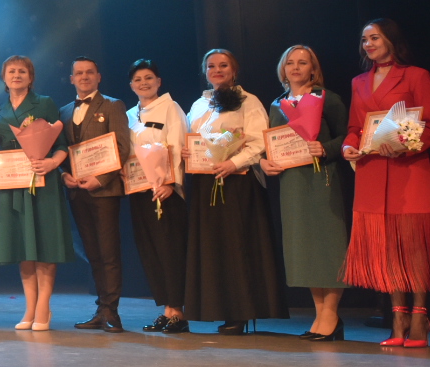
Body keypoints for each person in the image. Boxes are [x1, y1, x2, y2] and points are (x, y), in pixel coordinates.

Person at [341, 19, 430, 348]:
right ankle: (398, 317)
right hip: (371, 171)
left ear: (391, 40)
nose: (368, 44)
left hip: (408, 170)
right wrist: (347, 147)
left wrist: (405, 146)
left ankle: (419, 317)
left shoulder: (416, 76)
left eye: (374, 38)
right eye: (364, 39)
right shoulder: (359, 82)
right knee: (387, 247)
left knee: (412, 246)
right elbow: (355, 128)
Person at [183, 49, 287, 334]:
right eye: (211, 66)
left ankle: (240, 312)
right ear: (205, 71)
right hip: (205, 183)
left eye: (223, 65)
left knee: (236, 246)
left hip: (238, 182)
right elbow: (194, 141)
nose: (217, 70)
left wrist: (233, 163)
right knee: (213, 247)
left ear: (234, 70)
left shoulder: (248, 101)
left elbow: (258, 142)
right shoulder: (198, 104)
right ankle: (219, 308)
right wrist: (186, 151)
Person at [262, 46, 349, 341]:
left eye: (303, 62)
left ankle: (331, 314)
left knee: (329, 244)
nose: (296, 67)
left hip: (322, 178)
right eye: (290, 63)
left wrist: (325, 148)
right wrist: (265, 162)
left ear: (313, 68)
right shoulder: (277, 104)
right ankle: (320, 313)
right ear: (283, 69)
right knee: (306, 247)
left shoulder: (327, 98)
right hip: (293, 184)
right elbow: (271, 143)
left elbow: (346, 136)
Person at [0, 55, 73, 331]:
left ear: (31, 77)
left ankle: (43, 308)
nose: (16, 75)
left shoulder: (44, 103)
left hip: (42, 182)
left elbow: (61, 144)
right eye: (11, 71)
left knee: (44, 244)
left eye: (22, 71)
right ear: (4, 77)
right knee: (23, 246)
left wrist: (52, 163)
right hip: (11, 185)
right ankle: (30, 307)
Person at [59, 57, 133, 333]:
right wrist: (63, 175)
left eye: (89, 72)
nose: (84, 76)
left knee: (108, 252)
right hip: (77, 192)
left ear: (98, 77)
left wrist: (100, 179)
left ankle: (112, 311)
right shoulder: (64, 111)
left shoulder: (113, 105)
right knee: (92, 253)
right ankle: (101, 308)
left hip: (104, 191)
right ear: (71, 79)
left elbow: (122, 147)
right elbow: (59, 152)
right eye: (79, 73)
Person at [125, 60, 190, 333]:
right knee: (151, 251)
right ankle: (166, 309)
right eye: (138, 79)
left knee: (170, 250)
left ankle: (179, 312)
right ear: (131, 85)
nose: (144, 83)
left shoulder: (171, 107)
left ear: (159, 81)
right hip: (139, 191)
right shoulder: (129, 114)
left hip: (165, 191)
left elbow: (177, 146)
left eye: (149, 77)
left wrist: (171, 183)